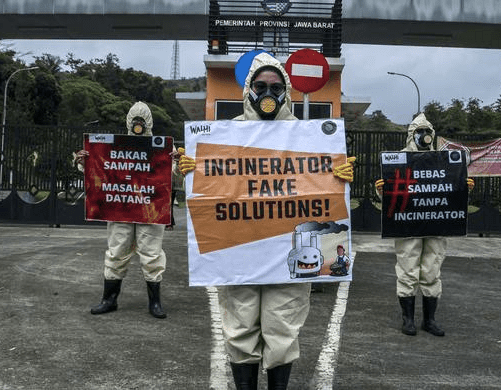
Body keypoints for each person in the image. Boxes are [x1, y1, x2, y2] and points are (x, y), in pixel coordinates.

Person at [178, 52, 354, 390]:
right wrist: (191, 172)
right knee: (240, 327)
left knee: (282, 328)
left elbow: (318, 194)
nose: (268, 93)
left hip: (285, 254)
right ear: (249, 90)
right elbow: (214, 191)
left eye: (275, 86)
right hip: (239, 252)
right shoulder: (224, 137)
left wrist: (339, 178)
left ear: (286, 91)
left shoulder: (307, 138)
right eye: (261, 86)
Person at [375, 113, 474, 337]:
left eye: (428, 132)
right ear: (412, 135)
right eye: (420, 132)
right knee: (408, 269)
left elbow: (451, 195)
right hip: (407, 225)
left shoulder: (444, 161)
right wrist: (382, 190)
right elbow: (394, 198)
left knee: (432, 270)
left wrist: (464, 187)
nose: (425, 136)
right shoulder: (399, 160)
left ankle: (429, 320)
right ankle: (408, 319)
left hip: (436, 224)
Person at [76, 101, 171, 319]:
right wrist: (84, 161)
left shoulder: (162, 147)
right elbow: (100, 167)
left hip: (150, 210)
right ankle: (109, 299)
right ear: (129, 121)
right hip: (121, 208)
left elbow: (173, 172)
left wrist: (176, 161)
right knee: (117, 251)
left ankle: (154, 302)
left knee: (152, 254)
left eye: (142, 119)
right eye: (135, 119)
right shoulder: (113, 146)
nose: (138, 123)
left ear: (148, 122)